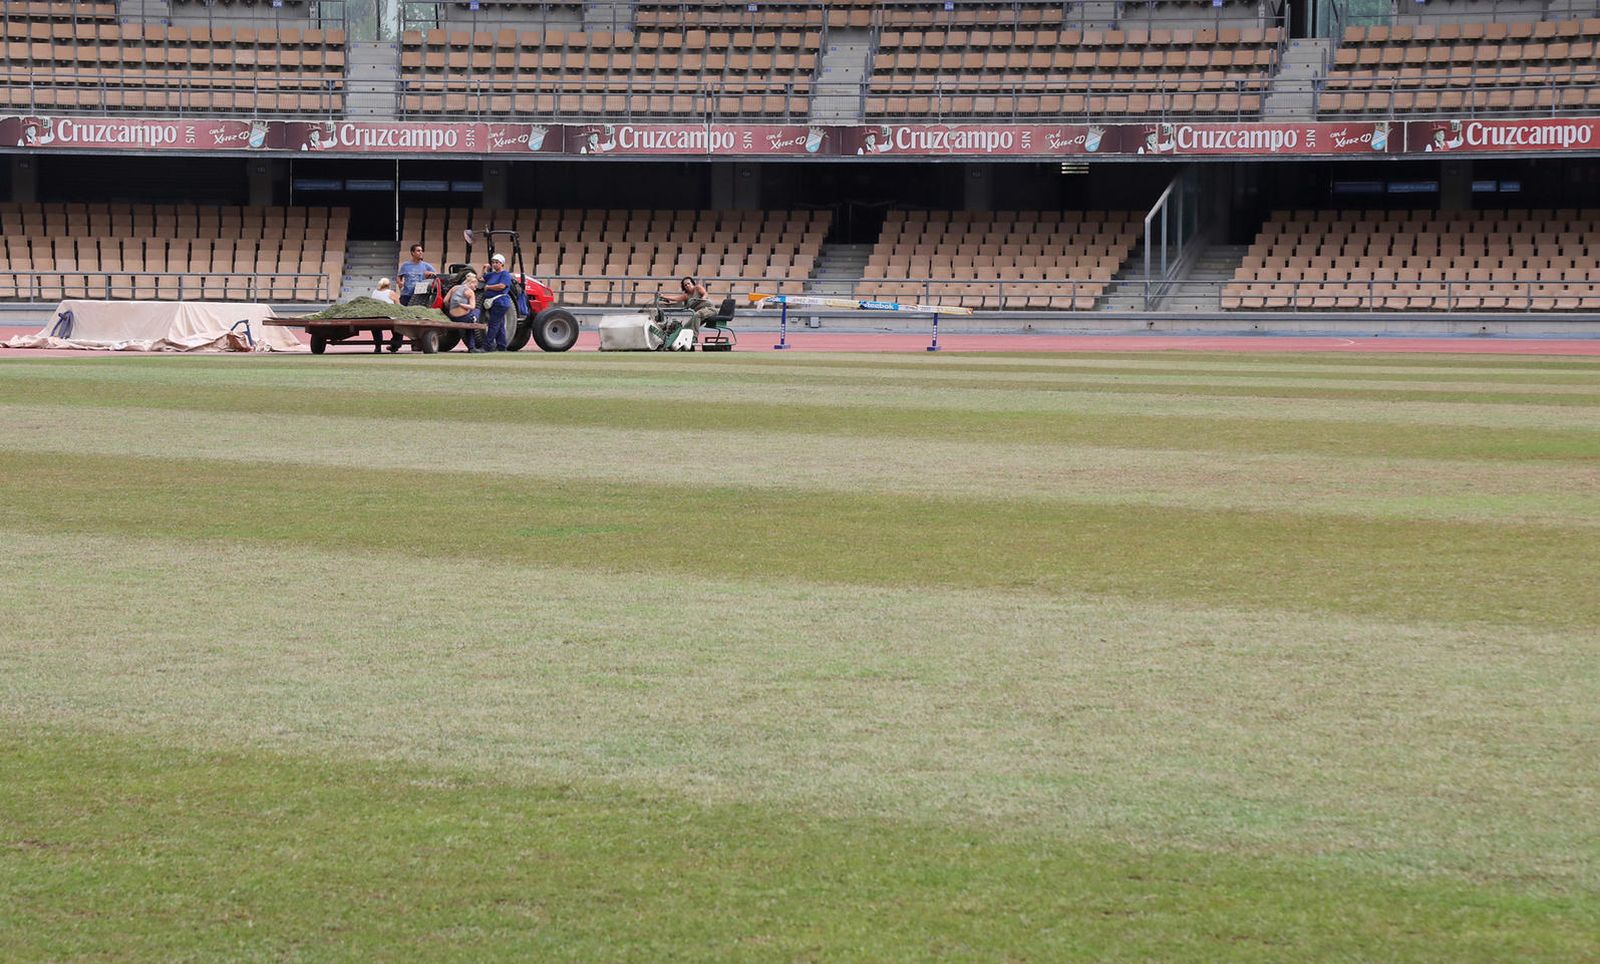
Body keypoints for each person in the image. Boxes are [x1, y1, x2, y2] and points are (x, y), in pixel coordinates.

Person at [390, 243, 437, 351]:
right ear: (412, 253)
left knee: (417, 320)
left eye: (421, 251)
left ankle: (416, 344)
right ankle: (395, 344)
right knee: (399, 318)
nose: (421, 252)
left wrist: (430, 274)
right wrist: (400, 283)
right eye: (418, 251)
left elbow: (436, 276)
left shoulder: (426, 266)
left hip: (419, 297)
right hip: (406, 295)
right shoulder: (406, 265)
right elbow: (398, 277)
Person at [479, 253, 514, 352]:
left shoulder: (505, 274)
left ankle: (487, 346)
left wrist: (488, 287)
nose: (494, 264)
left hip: (500, 302)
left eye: (497, 262)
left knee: (493, 324)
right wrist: (484, 268)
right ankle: (502, 346)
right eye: (493, 262)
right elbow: (480, 278)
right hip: (493, 302)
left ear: (502, 264)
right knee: (500, 324)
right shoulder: (492, 274)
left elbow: (502, 286)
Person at [444, 270, 484, 353]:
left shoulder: (454, 288)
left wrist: (450, 308)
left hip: (452, 317)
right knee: (476, 312)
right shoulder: (470, 292)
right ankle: (472, 347)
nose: (475, 288)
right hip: (463, 318)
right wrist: (462, 305)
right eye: (475, 286)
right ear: (471, 283)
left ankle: (471, 346)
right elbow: (472, 307)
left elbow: (445, 301)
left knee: (470, 321)